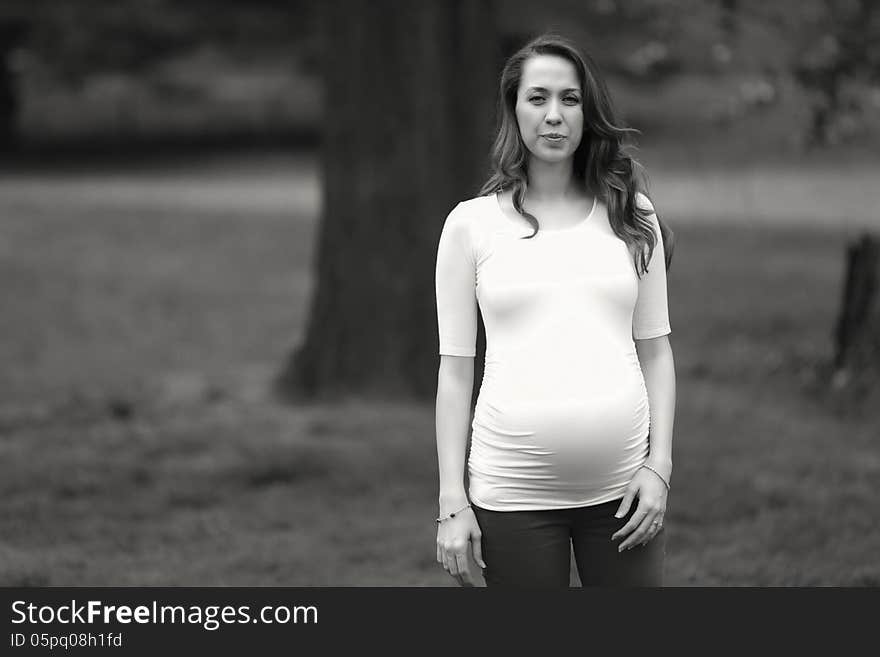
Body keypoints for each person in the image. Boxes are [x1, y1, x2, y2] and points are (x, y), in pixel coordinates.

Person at [433, 33, 677, 588]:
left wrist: (658, 467)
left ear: (587, 112)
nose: (554, 116)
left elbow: (657, 351)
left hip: (625, 495)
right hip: (510, 495)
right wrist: (452, 501)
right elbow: (454, 369)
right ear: (513, 108)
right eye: (537, 98)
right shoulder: (470, 226)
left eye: (569, 99)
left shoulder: (632, 216)